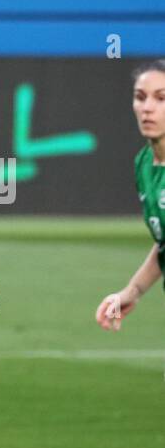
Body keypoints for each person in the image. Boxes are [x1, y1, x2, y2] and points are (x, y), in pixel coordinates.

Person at [95, 60, 165, 331]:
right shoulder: (145, 164)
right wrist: (132, 291)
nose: (147, 107)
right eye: (140, 97)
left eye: (161, 98)